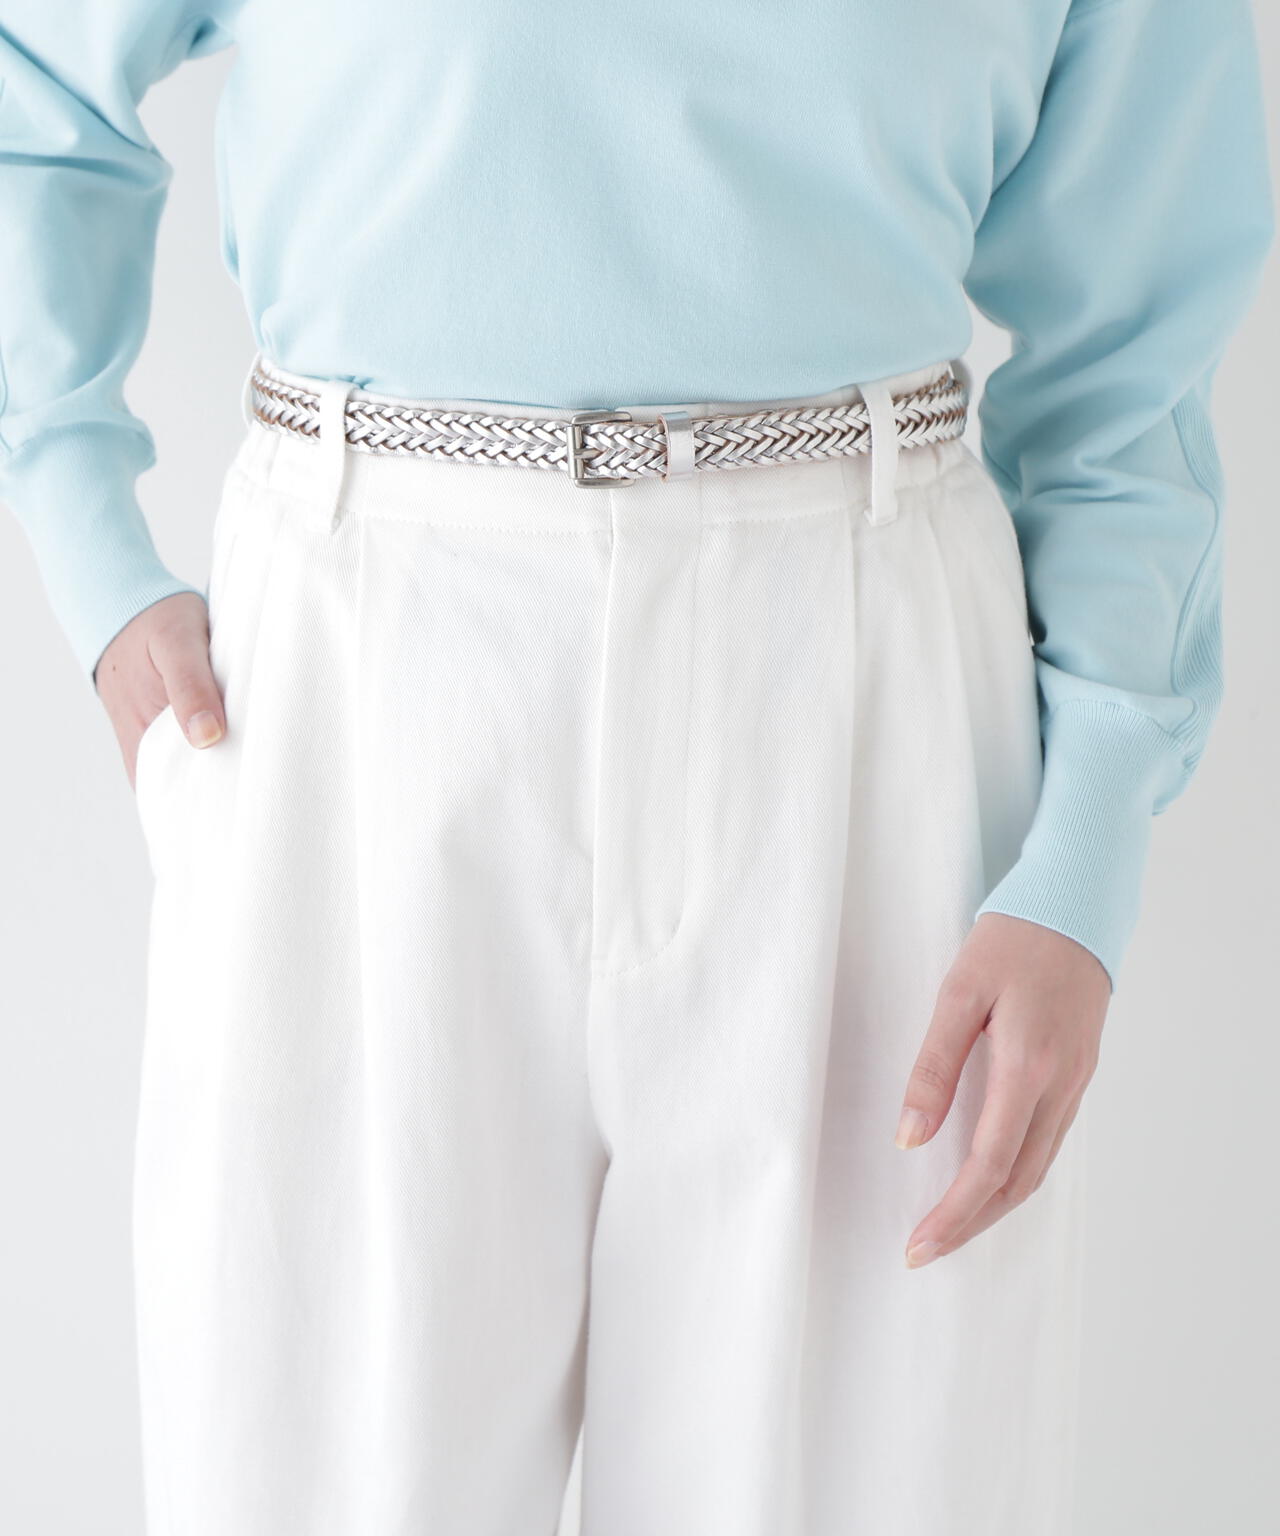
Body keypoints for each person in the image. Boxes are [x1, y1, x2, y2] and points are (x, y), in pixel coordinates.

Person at [0, 2, 1272, 1533]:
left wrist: (1085, 853)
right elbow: (33, 82)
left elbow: (1136, 334)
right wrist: (88, 542)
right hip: (366, 656)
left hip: (869, 692)